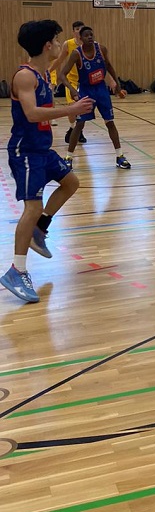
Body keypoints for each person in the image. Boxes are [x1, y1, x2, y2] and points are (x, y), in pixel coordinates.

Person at [1, 20, 93, 304]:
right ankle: (17, 270)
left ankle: (40, 229)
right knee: (32, 207)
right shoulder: (24, 76)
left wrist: (70, 109)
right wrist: (70, 109)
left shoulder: (44, 73)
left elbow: (55, 72)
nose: (59, 44)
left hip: (42, 149)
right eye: (56, 39)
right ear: (46, 45)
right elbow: (31, 114)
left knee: (71, 183)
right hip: (26, 152)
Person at [59, 26, 132, 170]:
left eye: (91, 34)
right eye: (86, 35)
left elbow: (109, 66)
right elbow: (62, 75)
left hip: (101, 90)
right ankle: (68, 157)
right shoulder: (76, 54)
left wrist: (117, 85)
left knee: (110, 122)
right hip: (86, 91)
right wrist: (72, 90)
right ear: (81, 38)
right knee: (79, 124)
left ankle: (120, 156)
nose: (90, 37)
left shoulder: (101, 49)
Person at [49, 20, 88, 144]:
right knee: (72, 106)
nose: (79, 31)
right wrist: (49, 71)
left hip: (84, 81)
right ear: (73, 32)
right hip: (71, 80)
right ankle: (72, 127)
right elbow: (59, 60)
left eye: (81, 29)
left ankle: (78, 131)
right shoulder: (68, 44)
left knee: (82, 108)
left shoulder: (89, 44)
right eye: (77, 29)